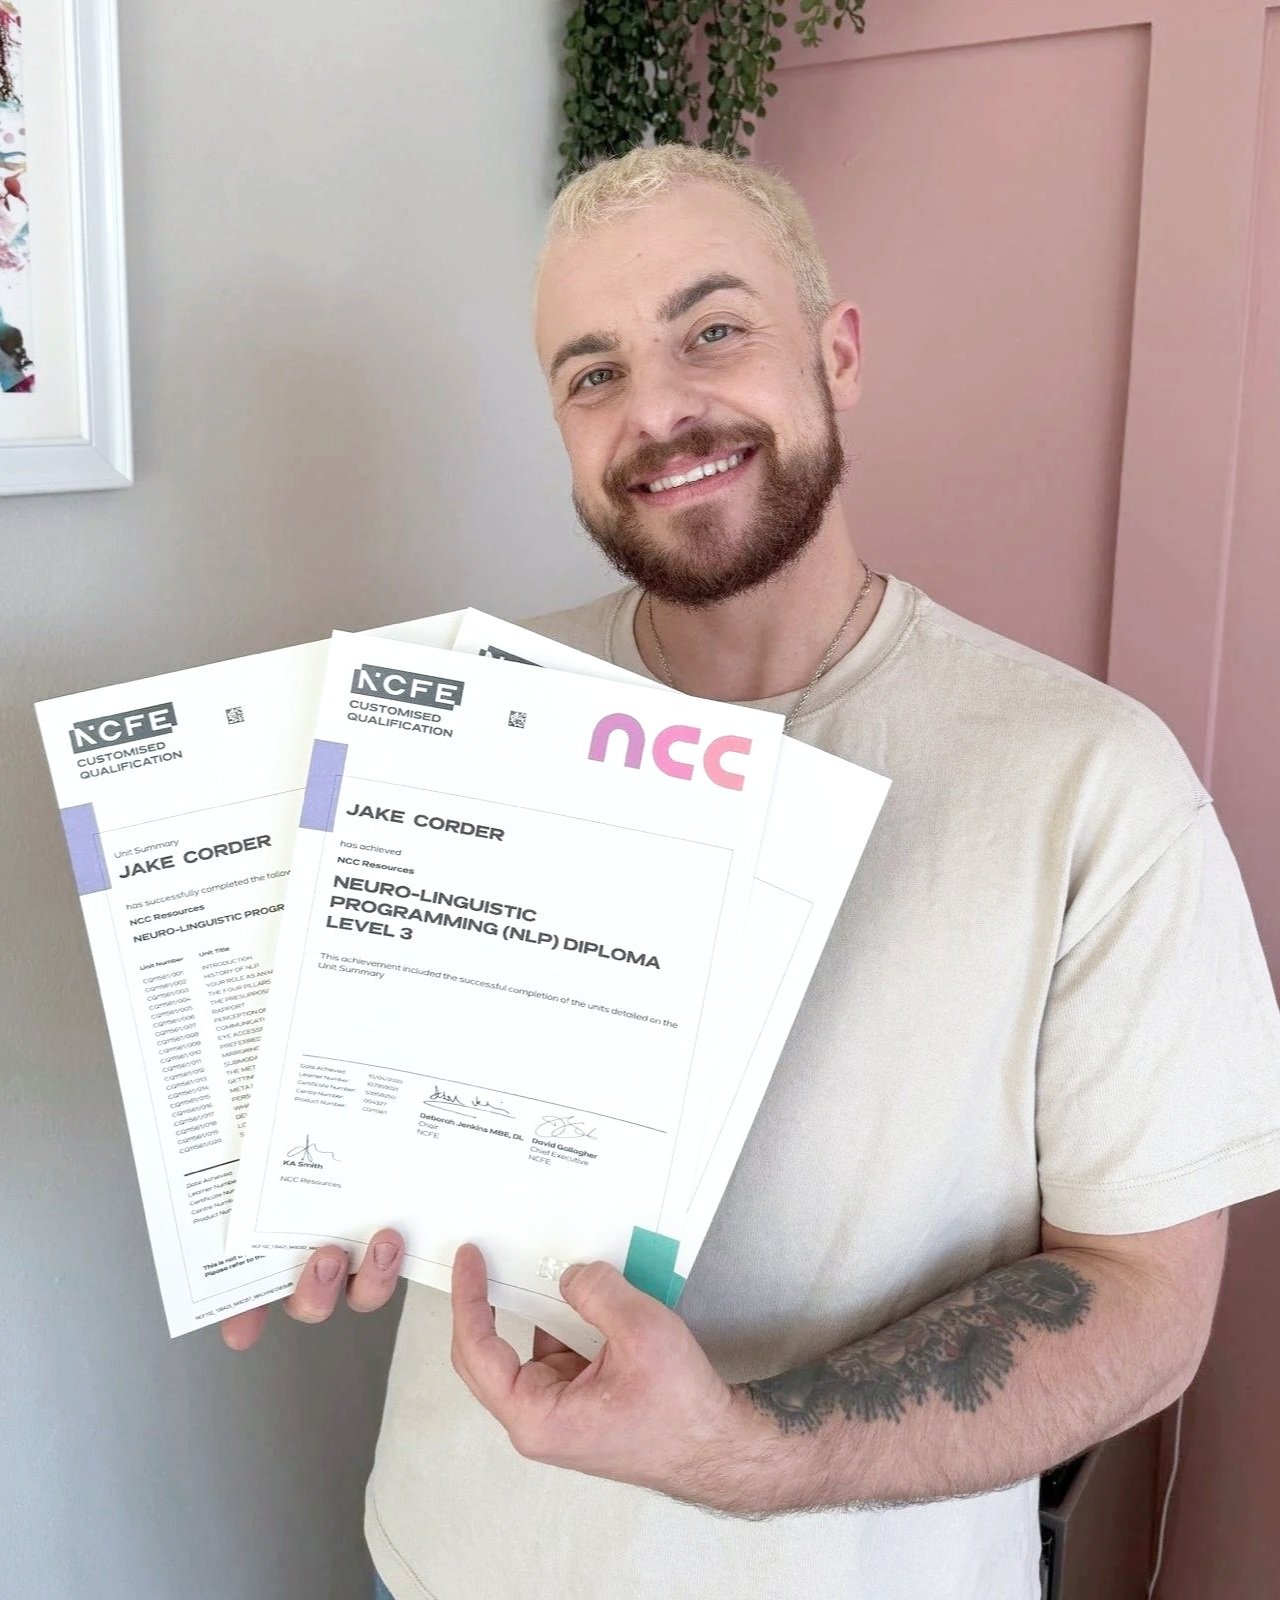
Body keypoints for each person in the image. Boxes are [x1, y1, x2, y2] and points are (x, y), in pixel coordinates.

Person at [222, 144, 1280, 1599]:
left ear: (836, 355)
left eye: (712, 330)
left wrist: (746, 1449)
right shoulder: (456, 714)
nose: (656, 409)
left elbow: (1149, 1297)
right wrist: (319, 1181)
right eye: (591, 374)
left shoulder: (1094, 781)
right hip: (453, 1557)